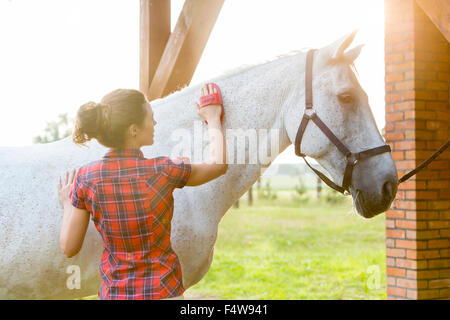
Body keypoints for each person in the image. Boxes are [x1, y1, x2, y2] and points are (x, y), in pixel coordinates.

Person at [57, 84, 227, 300]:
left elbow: (68, 247)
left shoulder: (87, 179)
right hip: (164, 292)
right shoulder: (164, 170)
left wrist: (67, 205)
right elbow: (218, 165)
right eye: (150, 117)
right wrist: (212, 117)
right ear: (133, 129)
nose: (155, 123)